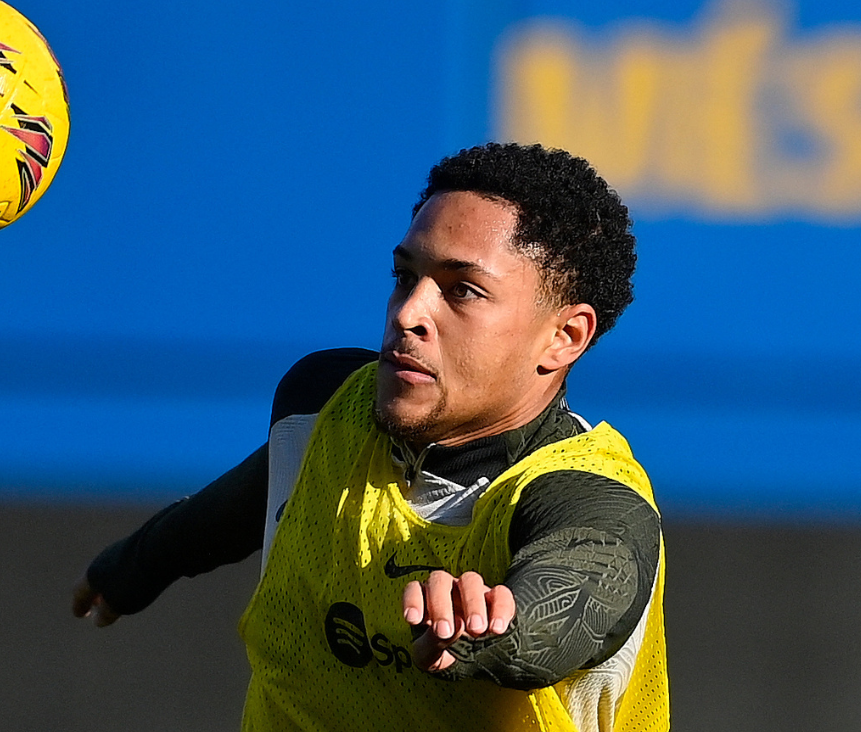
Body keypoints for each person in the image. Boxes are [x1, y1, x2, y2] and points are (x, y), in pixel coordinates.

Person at [73, 142, 668, 732]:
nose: (409, 312)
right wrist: (139, 562)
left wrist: (493, 632)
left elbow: (584, 592)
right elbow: (247, 500)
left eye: (462, 289)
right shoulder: (324, 405)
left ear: (564, 336)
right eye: (405, 275)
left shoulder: (595, 497)